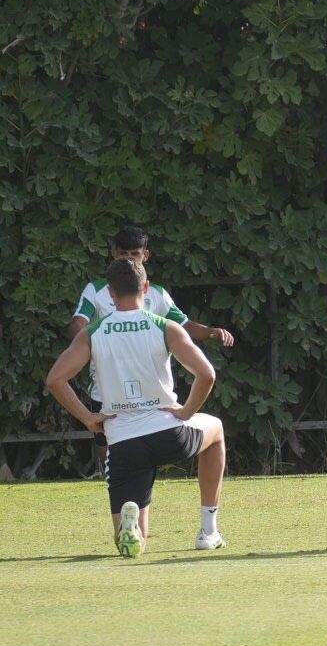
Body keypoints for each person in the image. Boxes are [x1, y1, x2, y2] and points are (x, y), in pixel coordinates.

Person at [45, 258, 228, 557]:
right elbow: (207, 375)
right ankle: (208, 532)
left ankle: (131, 529)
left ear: (110, 293)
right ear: (146, 288)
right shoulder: (165, 326)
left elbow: (55, 380)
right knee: (216, 429)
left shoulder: (93, 332)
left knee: (130, 546)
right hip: (169, 433)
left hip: (123, 442)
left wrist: (88, 418)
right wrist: (186, 412)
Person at [66, 225, 236, 472]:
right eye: (123, 253)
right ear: (113, 254)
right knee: (109, 456)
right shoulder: (96, 290)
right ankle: (113, 480)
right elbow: (77, 326)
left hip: (150, 392)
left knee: (141, 448)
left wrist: (211, 331)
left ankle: (130, 487)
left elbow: (184, 326)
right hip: (106, 388)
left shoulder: (157, 294)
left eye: (134, 254)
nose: (128, 259)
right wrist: (92, 340)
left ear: (145, 255)